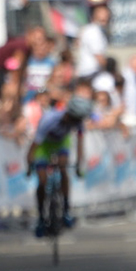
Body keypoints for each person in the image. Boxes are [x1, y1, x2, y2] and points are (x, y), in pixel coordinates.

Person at [26, 81, 93, 237]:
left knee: (63, 169)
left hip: (61, 143)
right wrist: (29, 164)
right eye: (75, 120)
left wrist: (78, 165)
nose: (77, 123)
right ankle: (42, 218)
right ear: (68, 114)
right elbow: (34, 146)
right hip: (44, 146)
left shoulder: (78, 121)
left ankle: (66, 211)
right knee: (42, 181)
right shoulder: (49, 120)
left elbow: (79, 143)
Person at [77, 5, 110, 79]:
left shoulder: (91, 30)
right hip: (91, 73)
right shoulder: (94, 32)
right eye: (102, 20)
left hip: (89, 72)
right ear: (94, 17)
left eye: (107, 18)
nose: (105, 21)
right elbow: (99, 56)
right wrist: (108, 71)